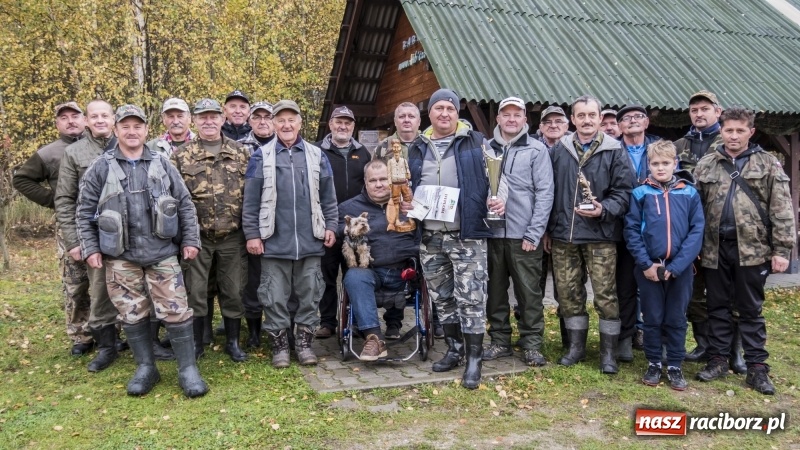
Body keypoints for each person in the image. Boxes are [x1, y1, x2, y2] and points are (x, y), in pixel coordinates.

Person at [76, 104, 208, 398]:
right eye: (126, 126)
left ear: (146, 130)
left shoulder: (163, 163)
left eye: (138, 126)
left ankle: (188, 370)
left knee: (176, 310)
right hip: (120, 256)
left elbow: (184, 204)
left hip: (161, 253)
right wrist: (90, 247)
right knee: (132, 314)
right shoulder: (101, 167)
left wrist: (190, 240)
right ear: (116, 130)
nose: (132, 132)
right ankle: (146, 367)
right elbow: (84, 211)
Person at [404, 88, 504, 389]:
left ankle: (475, 359)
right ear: (430, 113)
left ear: (456, 112)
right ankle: (454, 349)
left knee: (471, 298)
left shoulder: (477, 143)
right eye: (438, 108)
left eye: (449, 108)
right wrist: (407, 205)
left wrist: (500, 198)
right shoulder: (417, 147)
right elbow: (409, 186)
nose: (444, 113)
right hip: (430, 236)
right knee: (442, 298)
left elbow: (499, 180)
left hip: (466, 235)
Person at [694, 107, 795, 395]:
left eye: (740, 130)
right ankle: (717, 360)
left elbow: (782, 210)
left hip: (753, 250)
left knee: (750, 310)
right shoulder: (707, 164)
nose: (734, 135)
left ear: (751, 132)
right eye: (729, 130)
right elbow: (694, 209)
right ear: (721, 131)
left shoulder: (767, 164)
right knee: (717, 308)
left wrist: (782, 250)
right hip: (714, 249)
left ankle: (756, 368)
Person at [242, 99, 338, 368]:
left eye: (291, 119)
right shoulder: (261, 156)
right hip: (273, 241)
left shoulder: (317, 155)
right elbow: (250, 201)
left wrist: (331, 225)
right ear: (273, 123)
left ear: (300, 123)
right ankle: (280, 346)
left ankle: (304, 344)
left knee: (310, 294)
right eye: (280, 120)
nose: (286, 125)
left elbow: (329, 198)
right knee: (273, 296)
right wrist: (252, 234)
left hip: (311, 240)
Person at [545, 95, 633, 374]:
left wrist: (604, 208)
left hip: (600, 235)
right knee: (569, 294)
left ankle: (608, 353)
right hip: (564, 236)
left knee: (606, 296)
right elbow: (549, 192)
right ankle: (576, 347)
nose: (586, 120)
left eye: (591, 115)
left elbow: (625, 193)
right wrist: (548, 229)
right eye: (580, 115)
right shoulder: (559, 149)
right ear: (573, 119)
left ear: (599, 118)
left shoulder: (614, 150)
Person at [56, 100, 144, 369]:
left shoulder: (130, 146)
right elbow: (65, 200)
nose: (100, 120)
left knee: (137, 290)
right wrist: (75, 241)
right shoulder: (75, 153)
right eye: (94, 116)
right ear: (87, 121)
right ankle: (106, 347)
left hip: (133, 234)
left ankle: (138, 342)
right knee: (100, 292)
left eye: (105, 115)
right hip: (96, 235)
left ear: (113, 121)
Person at [171, 98, 250, 363]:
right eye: (203, 117)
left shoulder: (241, 152)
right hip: (197, 238)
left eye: (214, 116)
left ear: (222, 119)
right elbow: (173, 199)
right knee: (196, 291)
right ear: (195, 121)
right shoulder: (181, 156)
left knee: (234, 290)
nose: (208, 121)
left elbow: (251, 195)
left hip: (232, 236)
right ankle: (197, 343)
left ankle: (233, 343)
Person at [624, 140, 704, 390]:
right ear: (649, 165)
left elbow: (696, 230)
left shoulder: (689, 192)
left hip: (680, 269)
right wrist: (646, 264)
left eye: (665, 163)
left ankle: (675, 364)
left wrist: (679, 265)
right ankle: (654, 362)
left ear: (675, 164)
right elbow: (632, 230)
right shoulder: (640, 193)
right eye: (655, 163)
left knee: (676, 317)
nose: (660, 168)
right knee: (652, 317)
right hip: (649, 268)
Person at [484, 97, 553, 366]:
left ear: (525, 120)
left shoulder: (536, 151)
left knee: (529, 293)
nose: (511, 119)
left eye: (517, 115)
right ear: (498, 119)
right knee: (495, 292)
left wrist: (534, 233)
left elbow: (545, 194)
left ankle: (532, 343)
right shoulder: (485, 149)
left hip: (523, 235)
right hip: (492, 234)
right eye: (506, 114)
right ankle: (499, 341)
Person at [14, 101, 87, 355]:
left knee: (105, 280)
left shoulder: (100, 145)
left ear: (85, 119)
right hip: (69, 225)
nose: (70, 121)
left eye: (75, 116)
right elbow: (21, 179)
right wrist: (51, 200)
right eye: (64, 118)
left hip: (101, 225)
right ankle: (81, 334)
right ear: (57, 124)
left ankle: (109, 329)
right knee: (75, 282)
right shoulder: (49, 153)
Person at [339, 160, 420, 360]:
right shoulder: (349, 209)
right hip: (370, 272)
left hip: (404, 274)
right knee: (354, 276)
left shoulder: (409, 206)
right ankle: (374, 338)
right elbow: (333, 235)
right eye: (373, 180)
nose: (379, 184)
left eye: (383, 179)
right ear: (365, 183)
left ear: (391, 180)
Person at [673, 90, 726, 366]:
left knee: (725, 295)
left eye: (705, 108)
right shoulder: (680, 145)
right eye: (694, 110)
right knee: (694, 294)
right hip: (687, 233)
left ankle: (732, 351)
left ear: (718, 112)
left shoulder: (728, 142)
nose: (699, 114)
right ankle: (705, 345)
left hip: (721, 231)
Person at [314, 106, 372, 340]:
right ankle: (327, 322)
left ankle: (356, 321)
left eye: (348, 123)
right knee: (327, 275)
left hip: (355, 229)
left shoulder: (364, 153)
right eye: (339, 121)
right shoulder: (317, 151)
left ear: (353, 127)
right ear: (330, 124)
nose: (343, 126)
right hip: (327, 223)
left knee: (355, 275)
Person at [615, 105, 662, 363]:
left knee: (654, 285)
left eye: (637, 117)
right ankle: (625, 336)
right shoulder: (611, 149)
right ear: (619, 126)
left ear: (646, 123)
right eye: (625, 119)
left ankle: (652, 337)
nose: (632, 122)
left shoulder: (660, 149)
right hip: (621, 229)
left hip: (654, 230)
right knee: (625, 286)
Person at [237, 101, 276, 348]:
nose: (263, 121)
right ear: (249, 121)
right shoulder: (239, 149)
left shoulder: (286, 146)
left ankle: (278, 327)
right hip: (251, 222)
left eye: (267, 117)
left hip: (280, 224)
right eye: (257, 117)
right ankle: (253, 331)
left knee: (280, 281)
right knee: (253, 281)